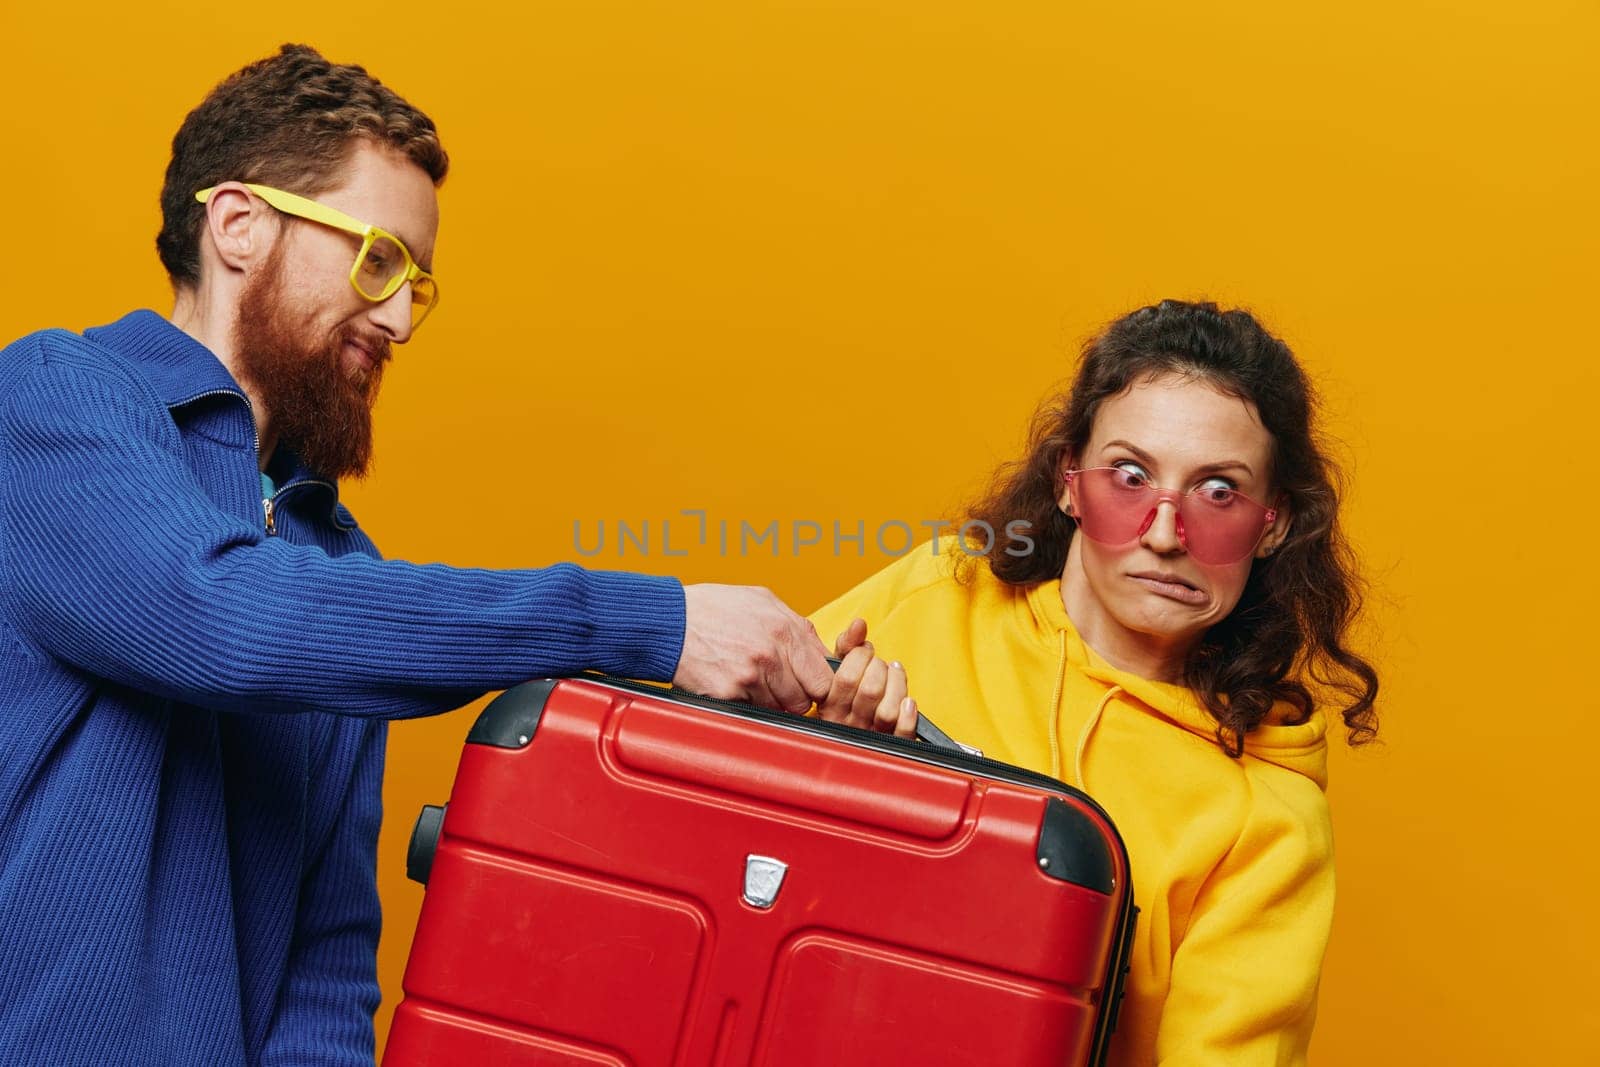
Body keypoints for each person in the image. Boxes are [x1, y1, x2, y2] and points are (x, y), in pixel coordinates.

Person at [0, 45, 840, 1067]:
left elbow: (326, 964)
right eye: (378, 258)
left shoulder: (337, 564)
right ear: (237, 224)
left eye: (417, 283)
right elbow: (223, 615)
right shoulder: (54, 400)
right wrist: (653, 620)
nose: (398, 317)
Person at [810, 299, 1380, 1065]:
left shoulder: (1268, 822)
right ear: (1067, 482)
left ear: (1273, 523)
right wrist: (831, 762)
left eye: (1218, 492)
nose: (1165, 533)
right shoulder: (938, 595)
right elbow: (712, 801)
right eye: (1131, 475)